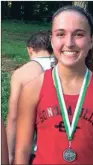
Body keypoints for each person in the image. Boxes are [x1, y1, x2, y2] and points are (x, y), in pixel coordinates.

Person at [14, 5, 93, 164]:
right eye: (61, 34)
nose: (69, 43)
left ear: (91, 41)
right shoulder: (33, 89)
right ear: (52, 40)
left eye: (79, 34)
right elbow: (22, 149)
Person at [6, 31, 55, 164]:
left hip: (37, 153)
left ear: (30, 49)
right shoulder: (70, 69)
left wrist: (10, 154)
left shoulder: (22, 73)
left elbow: (14, 117)